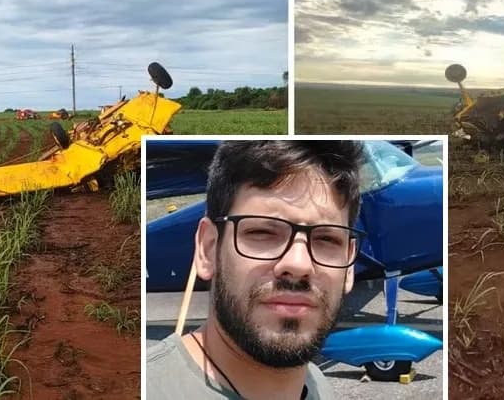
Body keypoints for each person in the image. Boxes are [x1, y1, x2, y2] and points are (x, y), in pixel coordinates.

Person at [146, 140, 365, 400]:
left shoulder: (316, 383)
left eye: (327, 239)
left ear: (349, 264)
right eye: (262, 232)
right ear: (207, 249)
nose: (298, 264)